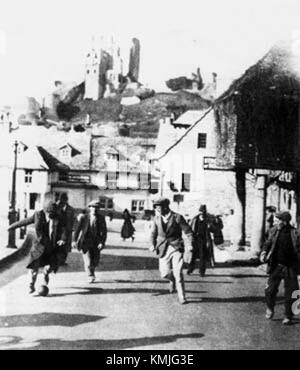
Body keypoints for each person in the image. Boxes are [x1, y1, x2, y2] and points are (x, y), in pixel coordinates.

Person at [8, 201, 67, 294]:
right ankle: (31, 286)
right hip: (39, 246)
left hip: (52, 246)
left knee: (50, 266)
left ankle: (46, 274)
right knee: (34, 267)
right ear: (45, 211)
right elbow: (26, 221)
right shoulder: (38, 215)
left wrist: (63, 238)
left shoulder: (58, 217)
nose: (52, 217)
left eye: (54, 214)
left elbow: (64, 229)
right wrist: (12, 226)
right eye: (50, 214)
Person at [150, 198, 194, 304]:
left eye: (159, 207)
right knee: (164, 274)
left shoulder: (177, 217)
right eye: (156, 207)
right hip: (162, 248)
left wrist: (190, 244)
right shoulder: (156, 219)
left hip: (176, 247)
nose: (157, 209)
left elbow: (188, 232)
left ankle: (182, 296)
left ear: (166, 206)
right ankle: (172, 280)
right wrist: (152, 244)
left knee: (178, 273)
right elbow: (153, 234)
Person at [260, 211, 300, 325]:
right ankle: (270, 307)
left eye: (278, 220)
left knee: (292, 292)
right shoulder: (273, 231)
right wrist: (263, 252)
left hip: (291, 266)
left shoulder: (295, 233)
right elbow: (267, 243)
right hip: (276, 265)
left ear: (285, 221)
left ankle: (288, 316)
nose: (276, 222)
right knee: (270, 290)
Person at [72, 201, 107, 283]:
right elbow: (77, 230)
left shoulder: (101, 218)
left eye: (96, 208)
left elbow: (104, 231)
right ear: (90, 208)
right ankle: (90, 275)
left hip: (96, 243)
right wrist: (74, 240)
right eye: (93, 207)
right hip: (85, 242)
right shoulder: (84, 217)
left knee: (95, 261)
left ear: (98, 209)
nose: (94, 209)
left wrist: (102, 242)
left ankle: (92, 271)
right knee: (88, 261)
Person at [187, 204, 215, 277]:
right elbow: (189, 229)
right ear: (199, 212)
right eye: (201, 212)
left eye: (203, 212)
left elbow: (214, 230)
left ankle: (202, 272)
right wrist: (190, 240)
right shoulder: (195, 219)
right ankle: (190, 269)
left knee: (203, 257)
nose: (202, 213)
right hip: (195, 239)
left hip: (204, 240)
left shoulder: (208, 220)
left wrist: (210, 226)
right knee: (193, 256)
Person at [56, 193, 75, 265]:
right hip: (59, 231)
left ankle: (63, 261)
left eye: (64, 200)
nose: (62, 202)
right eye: (61, 200)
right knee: (58, 246)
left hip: (68, 230)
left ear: (66, 201)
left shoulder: (71, 210)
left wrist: (72, 229)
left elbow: (73, 220)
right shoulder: (56, 208)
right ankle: (58, 260)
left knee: (65, 247)